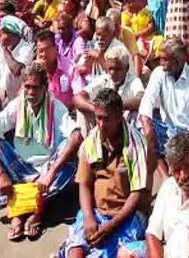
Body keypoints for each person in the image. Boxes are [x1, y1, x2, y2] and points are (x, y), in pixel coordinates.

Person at [0, 62, 82, 241]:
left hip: (46, 171)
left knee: (69, 151)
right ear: (22, 86)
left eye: (36, 87)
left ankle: (33, 211)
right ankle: (20, 208)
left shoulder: (55, 107)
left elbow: (76, 136)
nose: (31, 92)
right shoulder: (17, 105)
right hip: (21, 169)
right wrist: (0, 173)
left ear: (45, 87)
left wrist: (51, 172)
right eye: (27, 87)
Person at [55, 88, 152, 258]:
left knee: (115, 252)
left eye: (105, 119)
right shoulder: (90, 143)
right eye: (98, 118)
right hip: (98, 212)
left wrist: (111, 225)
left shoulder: (136, 145)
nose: (100, 124)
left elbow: (137, 193)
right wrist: (88, 218)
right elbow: (84, 184)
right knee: (75, 251)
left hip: (128, 215)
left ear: (119, 115)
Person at [138, 38, 189, 177]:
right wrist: (148, 129)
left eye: (165, 59)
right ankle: (166, 178)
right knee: (142, 128)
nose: (161, 64)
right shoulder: (159, 73)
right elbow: (146, 103)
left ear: (177, 61)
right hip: (170, 131)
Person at [75, 46, 144, 134]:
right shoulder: (104, 79)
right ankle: (85, 144)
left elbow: (141, 98)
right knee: (82, 111)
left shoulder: (134, 81)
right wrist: (96, 109)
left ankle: (135, 144)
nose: (112, 72)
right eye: (110, 69)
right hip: (103, 122)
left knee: (137, 113)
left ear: (126, 68)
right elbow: (77, 98)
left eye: (117, 69)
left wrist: (115, 108)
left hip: (124, 125)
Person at [0, 15, 34, 103]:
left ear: (13, 34)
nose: (1, 35)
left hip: (18, 97)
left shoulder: (26, 48)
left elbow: (16, 70)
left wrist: (5, 49)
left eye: (4, 32)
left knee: (10, 70)